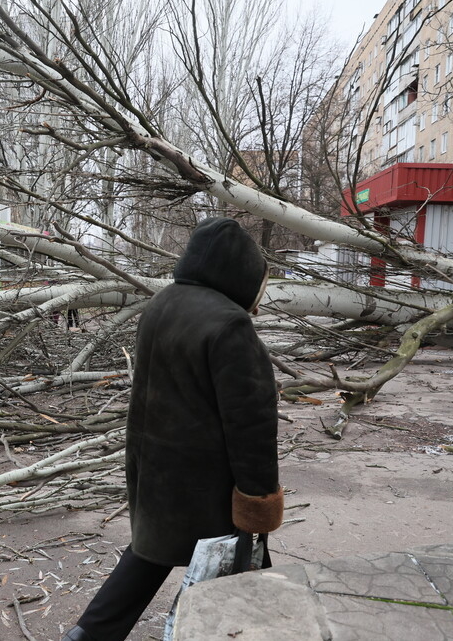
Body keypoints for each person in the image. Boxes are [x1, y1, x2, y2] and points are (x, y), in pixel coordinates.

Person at [62, 217, 284, 641]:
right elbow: (251, 422)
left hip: (154, 465)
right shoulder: (230, 325)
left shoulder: (162, 304)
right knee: (240, 560)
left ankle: (89, 634)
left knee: (149, 555)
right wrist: (258, 498)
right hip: (207, 480)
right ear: (243, 273)